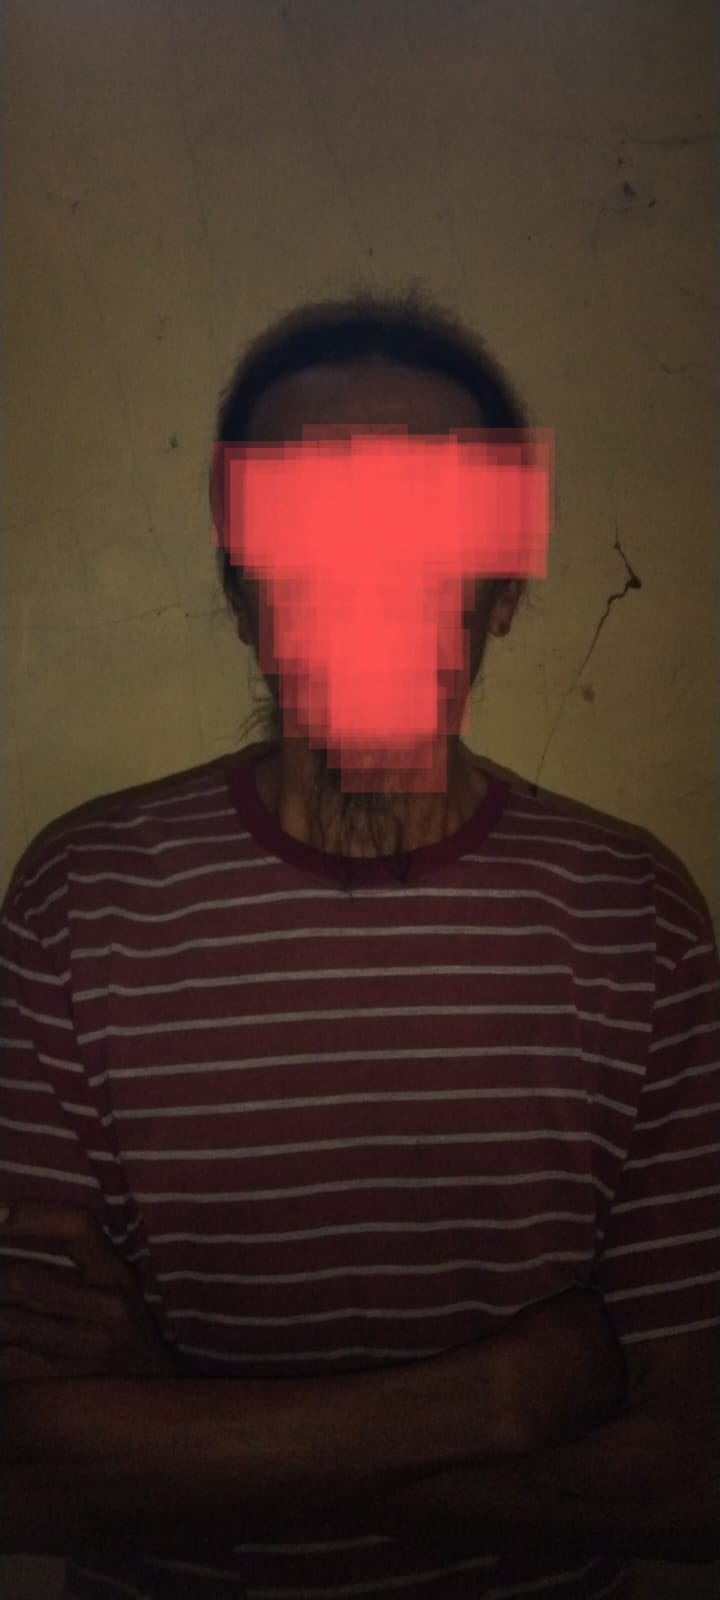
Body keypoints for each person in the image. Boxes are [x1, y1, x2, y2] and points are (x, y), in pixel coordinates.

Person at [1, 291, 719, 1600]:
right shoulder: (80, 900)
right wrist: (493, 1403)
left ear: (504, 588)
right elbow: (30, 1477)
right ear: (240, 588)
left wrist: (188, 1416)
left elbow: (690, 1482)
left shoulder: (635, 916)